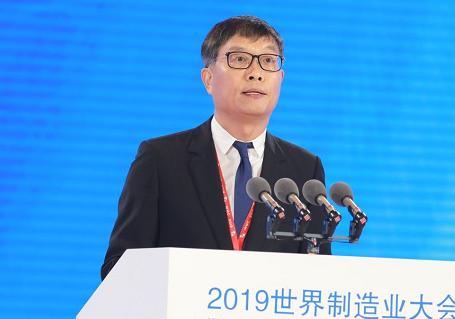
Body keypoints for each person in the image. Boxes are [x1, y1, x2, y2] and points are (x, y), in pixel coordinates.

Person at [101, 15, 330, 280]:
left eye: (268, 60)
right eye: (239, 59)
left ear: (280, 79)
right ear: (208, 79)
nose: (256, 73)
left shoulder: (304, 169)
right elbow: (119, 268)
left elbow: (319, 275)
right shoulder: (160, 160)